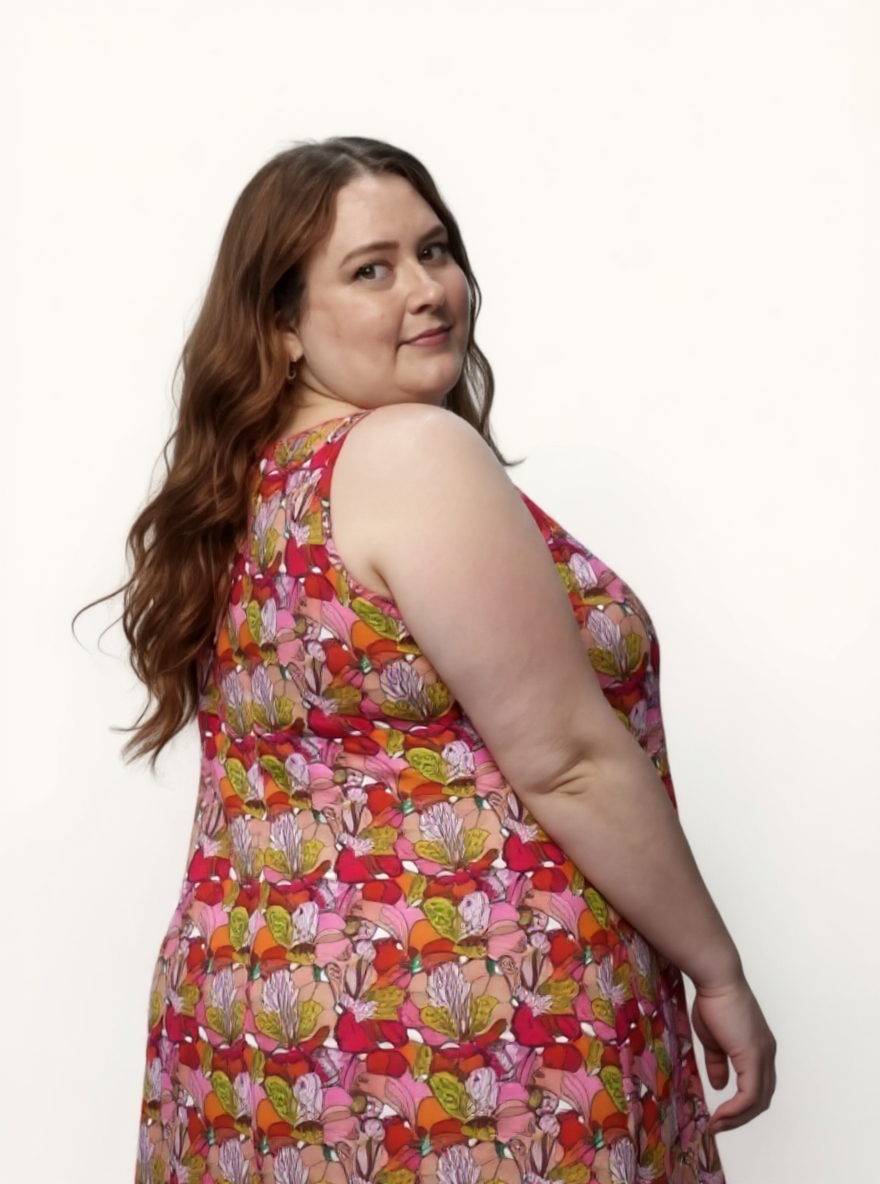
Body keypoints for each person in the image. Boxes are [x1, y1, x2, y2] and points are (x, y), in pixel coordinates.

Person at [78, 136, 775, 1184]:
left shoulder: (244, 491)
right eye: (372, 269)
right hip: (467, 1039)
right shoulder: (409, 450)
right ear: (282, 322)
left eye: (434, 250)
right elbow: (567, 759)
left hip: (253, 1027)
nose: (427, 289)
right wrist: (716, 970)